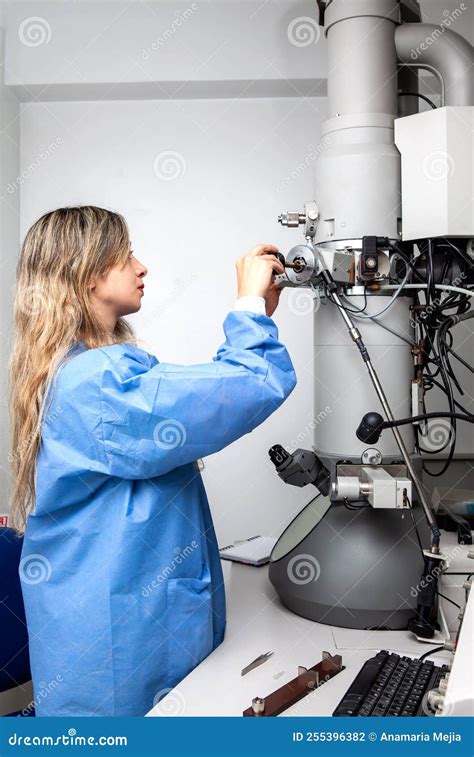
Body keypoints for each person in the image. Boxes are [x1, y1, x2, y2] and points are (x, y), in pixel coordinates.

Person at [9, 206, 297, 717]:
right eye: (126, 256)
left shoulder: (92, 374)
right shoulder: (95, 384)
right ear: (88, 272)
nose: (141, 268)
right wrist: (248, 304)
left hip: (111, 620)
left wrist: (260, 315)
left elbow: (201, 398)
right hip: (116, 645)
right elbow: (245, 386)